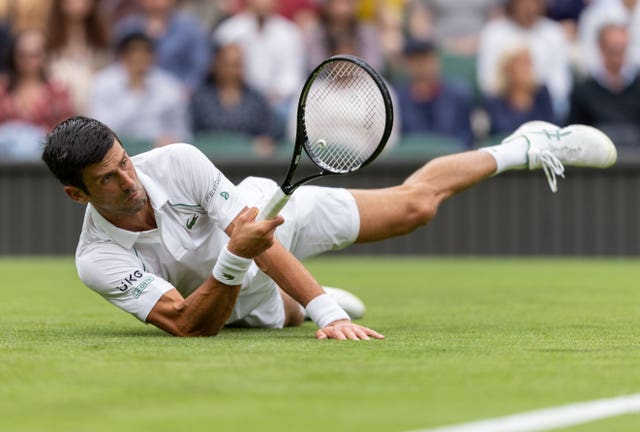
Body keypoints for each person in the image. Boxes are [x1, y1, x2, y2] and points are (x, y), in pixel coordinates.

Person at [41, 115, 616, 339]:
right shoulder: (96, 259)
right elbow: (190, 326)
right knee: (272, 314)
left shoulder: (177, 160)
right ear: (77, 194)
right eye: (108, 179)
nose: (129, 179)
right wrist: (234, 261)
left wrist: (329, 315)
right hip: (237, 295)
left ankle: (527, 145)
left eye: (124, 160)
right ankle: (302, 301)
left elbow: (256, 234)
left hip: (269, 225)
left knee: (414, 208)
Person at [89, 31, 189, 147]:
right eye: (133, 52)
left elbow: (182, 131)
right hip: (113, 151)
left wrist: (170, 141)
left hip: (159, 154)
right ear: (122, 56)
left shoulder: (170, 87)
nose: (139, 58)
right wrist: (135, 91)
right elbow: (98, 129)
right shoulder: (102, 83)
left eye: (145, 52)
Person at [477, 0, 572, 119]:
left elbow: (560, 84)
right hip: (503, 105)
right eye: (523, 2)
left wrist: (533, 96)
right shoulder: (494, 32)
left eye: (535, 2)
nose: (529, 7)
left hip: (545, 104)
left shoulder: (553, 32)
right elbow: (488, 83)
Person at [213, 0, 305, 121]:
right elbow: (220, 70)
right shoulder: (228, 31)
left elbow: (293, 76)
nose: (263, 3)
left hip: (277, 101)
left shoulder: (290, 33)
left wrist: (274, 95)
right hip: (239, 96)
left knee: (288, 113)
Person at [190, 42, 280, 157]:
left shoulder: (256, 99)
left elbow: (269, 134)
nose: (231, 70)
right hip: (209, 160)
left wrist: (265, 142)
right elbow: (190, 134)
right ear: (216, 65)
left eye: (237, 65)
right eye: (227, 64)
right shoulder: (200, 98)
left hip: (248, 162)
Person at [0, 30, 74, 159]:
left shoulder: (57, 91)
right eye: (23, 55)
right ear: (13, 56)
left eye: (34, 55)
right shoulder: (3, 89)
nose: (28, 61)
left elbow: (68, 132)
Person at [568, 23, 640, 148]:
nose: (617, 56)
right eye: (612, 50)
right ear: (600, 48)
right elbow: (573, 136)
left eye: (621, 49)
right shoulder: (583, 91)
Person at [115, 0, 210, 92]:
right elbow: (117, 63)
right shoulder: (128, 27)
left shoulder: (190, 27)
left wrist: (187, 88)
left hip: (179, 94)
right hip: (134, 92)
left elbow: (200, 64)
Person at [395, 39, 474, 149]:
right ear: (406, 64)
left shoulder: (458, 95)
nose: (421, 65)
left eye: (426, 59)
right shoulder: (397, 98)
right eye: (415, 60)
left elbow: (467, 138)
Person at [46, 0, 112, 114]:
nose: (78, 4)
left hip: (93, 109)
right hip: (59, 109)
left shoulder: (100, 39)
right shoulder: (49, 40)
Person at [483, 42, 556, 136]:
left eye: (529, 62)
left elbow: (553, 130)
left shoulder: (542, 94)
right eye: (521, 63)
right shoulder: (495, 100)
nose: (527, 68)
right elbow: (499, 134)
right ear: (507, 69)